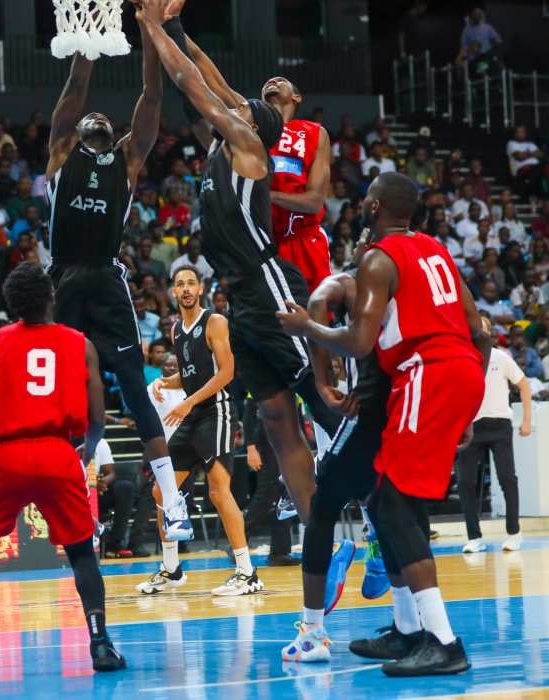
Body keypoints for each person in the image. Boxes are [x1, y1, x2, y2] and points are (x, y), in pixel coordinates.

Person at [277, 171, 491, 675]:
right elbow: (481, 333)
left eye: (365, 201)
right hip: (462, 372)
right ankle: (410, 631)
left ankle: (444, 642)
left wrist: (305, 326)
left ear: (374, 207)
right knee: (391, 502)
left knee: (391, 507)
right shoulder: (436, 251)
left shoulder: (378, 258)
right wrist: (466, 407)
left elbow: (357, 343)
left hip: (425, 373)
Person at [141, 4, 336, 550]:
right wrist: (168, 25)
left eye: (243, 109)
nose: (235, 105)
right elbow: (196, 85)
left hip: (270, 276)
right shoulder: (220, 148)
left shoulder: (251, 146)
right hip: (240, 294)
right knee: (276, 418)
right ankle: (320, 539)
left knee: (318, 396)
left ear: (252, 125)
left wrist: (151, 25)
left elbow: (194, 82)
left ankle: (373, 500)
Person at [0, 262, 124, 672]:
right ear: (51, 298)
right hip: (58, 454)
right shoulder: (81, 344)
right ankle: (100, 643)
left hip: (8, 456)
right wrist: (88, 449)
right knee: (82, 554)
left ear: (12, 304)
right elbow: (98, 418)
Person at [43, 16, 188, 541]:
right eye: (91, 117)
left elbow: (152, 95)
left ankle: (172, 500)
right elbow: (77, 85)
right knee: (56, 390)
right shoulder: (62, 152)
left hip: (106, 277)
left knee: (132, 384)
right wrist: (89, 38)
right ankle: (60, 493)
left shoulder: (126, 160)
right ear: (77, 129)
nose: (97, 115)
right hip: (61, 276)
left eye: (105, 117)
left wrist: (149, 32)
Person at [273, 231, 396, 663]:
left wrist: (321, 370)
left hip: (367, 408)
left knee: (323, 506)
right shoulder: (415, 283)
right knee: (397, 511)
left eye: (362, 239)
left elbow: (318, 302)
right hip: (408, 408)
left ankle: (312, 633)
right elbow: (479, 333)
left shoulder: (350, 280)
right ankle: (413, 623)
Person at [136, 266, 258, 596]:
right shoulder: (177, 330)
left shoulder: (214, 322)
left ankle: (246, 572)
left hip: (217, 411)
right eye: (181, 284)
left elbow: (227, 371)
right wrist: (165, 382)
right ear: (173, 292)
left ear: (200, 289)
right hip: (194, 413)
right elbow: (189, 376)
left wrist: (188, 401)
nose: (187, 288)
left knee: (219, 491)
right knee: (162, 491)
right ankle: (171, 569)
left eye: (191, 283)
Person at [459, 320, 533, 555]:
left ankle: (514, 532)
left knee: (507, 477)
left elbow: (524, 385)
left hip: (499, 425)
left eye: (482, 328)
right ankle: (474, 537)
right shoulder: (462, 357)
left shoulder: (501, 358)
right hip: (470, 426)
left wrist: (527, 419)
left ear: (489, 332)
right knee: (465, 481)